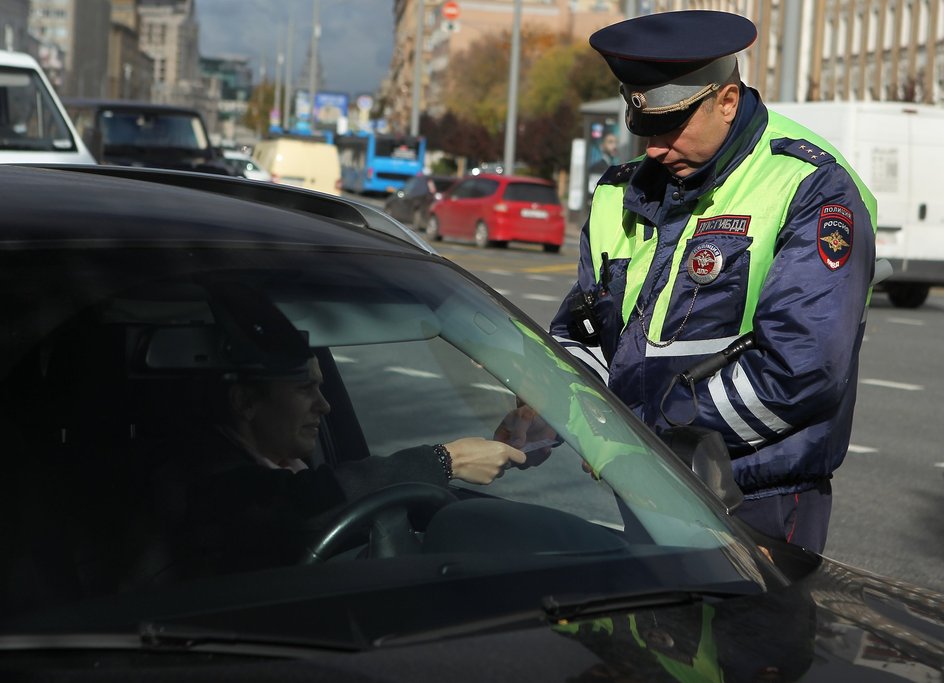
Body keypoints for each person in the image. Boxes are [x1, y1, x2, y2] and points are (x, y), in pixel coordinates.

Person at [503, 10, 877, 553]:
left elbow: (802, 369)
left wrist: (639, 433)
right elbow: (589, 334)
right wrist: (544, 412)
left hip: (755, 492)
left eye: (672, 124)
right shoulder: (620, 192)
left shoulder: (810, 185)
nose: (654, 148)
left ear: (727, 99)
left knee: (753, 638)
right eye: (645, 126)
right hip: (647, 475)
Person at [140, 354, 526, 579]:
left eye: (322, 388)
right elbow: (294, 505)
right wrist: (448, 459)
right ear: (245, 402)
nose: (325, 407)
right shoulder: (197, 483)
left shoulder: (290, 466)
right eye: (305, 389)